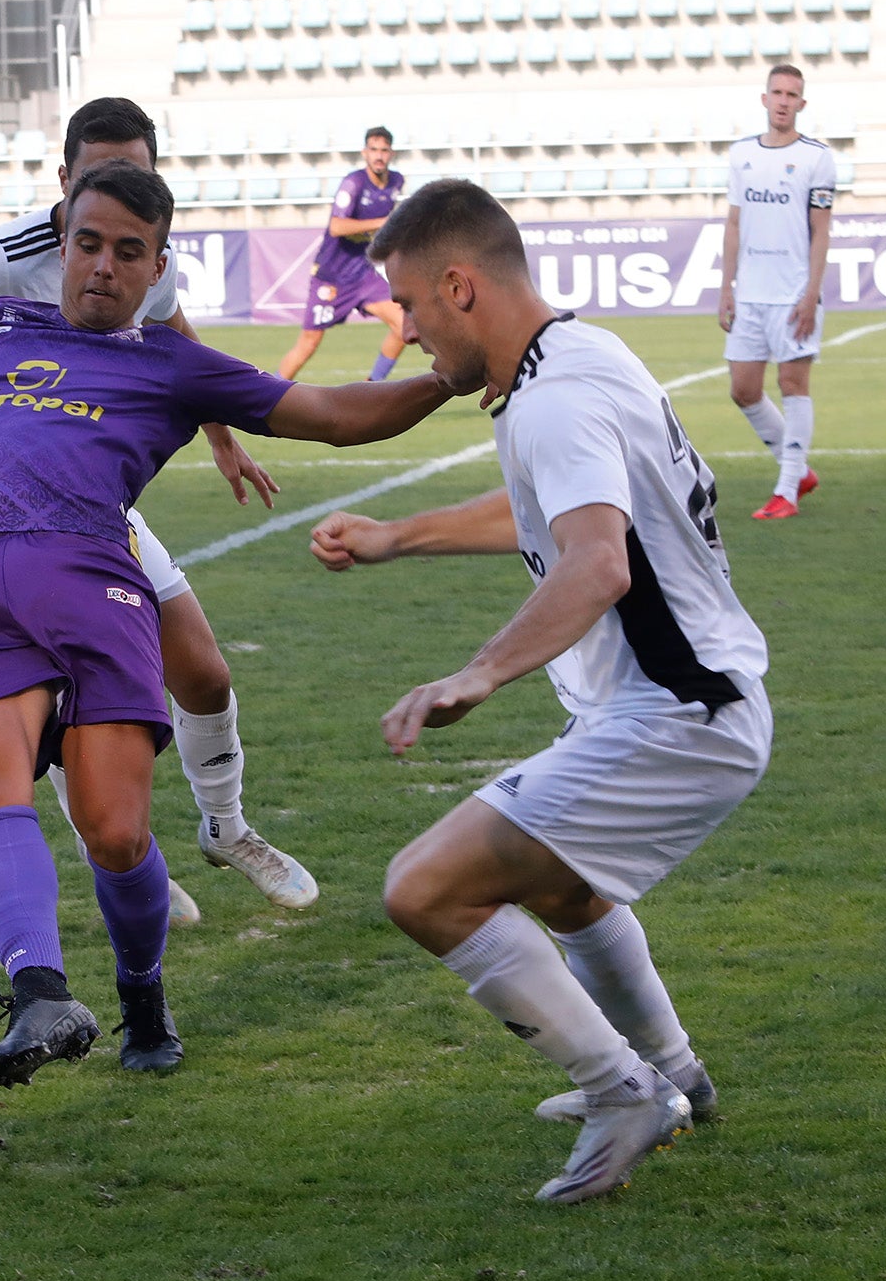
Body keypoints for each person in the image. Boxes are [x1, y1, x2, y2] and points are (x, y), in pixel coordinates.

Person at [0, 162, 453, 1088]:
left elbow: (335, 416)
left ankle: (142, 994)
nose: (102, 265)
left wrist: (448, 377)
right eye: (88, 243)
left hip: (96, 580)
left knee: (116, 834)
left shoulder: (173, 364)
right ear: (63, 245)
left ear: (156, 268)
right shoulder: (0, 327)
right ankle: (40, 993)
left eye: (126, 252)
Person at [309, 179, 772, 1204]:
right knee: (564, 888)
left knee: (424, 887)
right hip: (691, 699)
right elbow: (549, 508)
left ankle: (621, 1092)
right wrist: (397, 535)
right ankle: (676, 1074)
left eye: (415, 308)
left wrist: (478, 670)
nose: (412, 332)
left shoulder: (554, 398)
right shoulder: (578, 352)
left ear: (460, 286)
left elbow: (595, 560)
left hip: (679, 711)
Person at [0, 98, 317, 922]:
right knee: (52, 697)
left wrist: (222, 438)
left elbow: (176, 339)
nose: (117, 192)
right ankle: (122, 857)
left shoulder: (144, 240)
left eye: (136, 175)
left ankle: (227, 828)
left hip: (90, 501)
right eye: (99, 176)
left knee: (203, 671)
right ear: (64, 183)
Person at [718, 65, 835, 520]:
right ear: (764, 99)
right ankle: (800, 471)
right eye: (778, 92)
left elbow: (820, 232)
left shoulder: (817, 158)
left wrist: (811, 294)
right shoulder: (741, 154)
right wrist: (726, 288)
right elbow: (733, 223)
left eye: (793, 94)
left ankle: (787, 491)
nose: (784, 100)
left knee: (792, 385)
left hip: (792, 294)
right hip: (749, 294)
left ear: (802, 104)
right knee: (743, 389)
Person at [276, 127, 409, 383]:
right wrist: (384, 222)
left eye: (383, 150)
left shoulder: (396, 182)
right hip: (332, 277)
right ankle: (266, 398)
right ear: (364, 152)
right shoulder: (354, 183)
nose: (379, 156)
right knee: (309, 343)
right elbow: (337, 227)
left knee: (405, 327)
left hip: (363, 275)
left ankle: (372, 389)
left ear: (391, 153)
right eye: (373, 150)